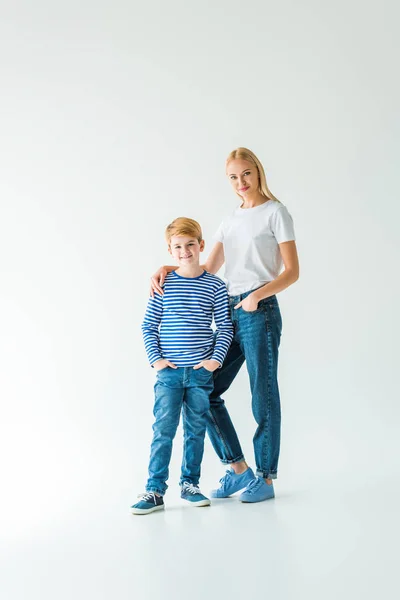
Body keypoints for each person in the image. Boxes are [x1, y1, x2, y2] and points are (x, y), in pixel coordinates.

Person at [150, 148, 299, 504]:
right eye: (233, 177)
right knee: (204, 391)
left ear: (258, 172)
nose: (241, 183)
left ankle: (265, 478)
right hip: (230, 310)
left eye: (246, 174)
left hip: (258, 309)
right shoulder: (230, 219)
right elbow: (208, 268)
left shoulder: (276, 213)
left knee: (262, 395)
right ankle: (238, 470)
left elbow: (292, 272)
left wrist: (257, 296)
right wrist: (170, 268)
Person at [131, 217, 234, 515]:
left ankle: (190, 484)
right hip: (169, 375)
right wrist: (156, 360)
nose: (185, 251)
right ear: (169, 250)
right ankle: (154, 490)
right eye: (177, 246)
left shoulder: (215, 285)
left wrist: (215, 360)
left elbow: (225, 328)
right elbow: (149, 325)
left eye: (190, 244)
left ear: (201, 246)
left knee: (195, 430)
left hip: (201, 374)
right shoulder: (163, 283)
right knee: (163, 429)